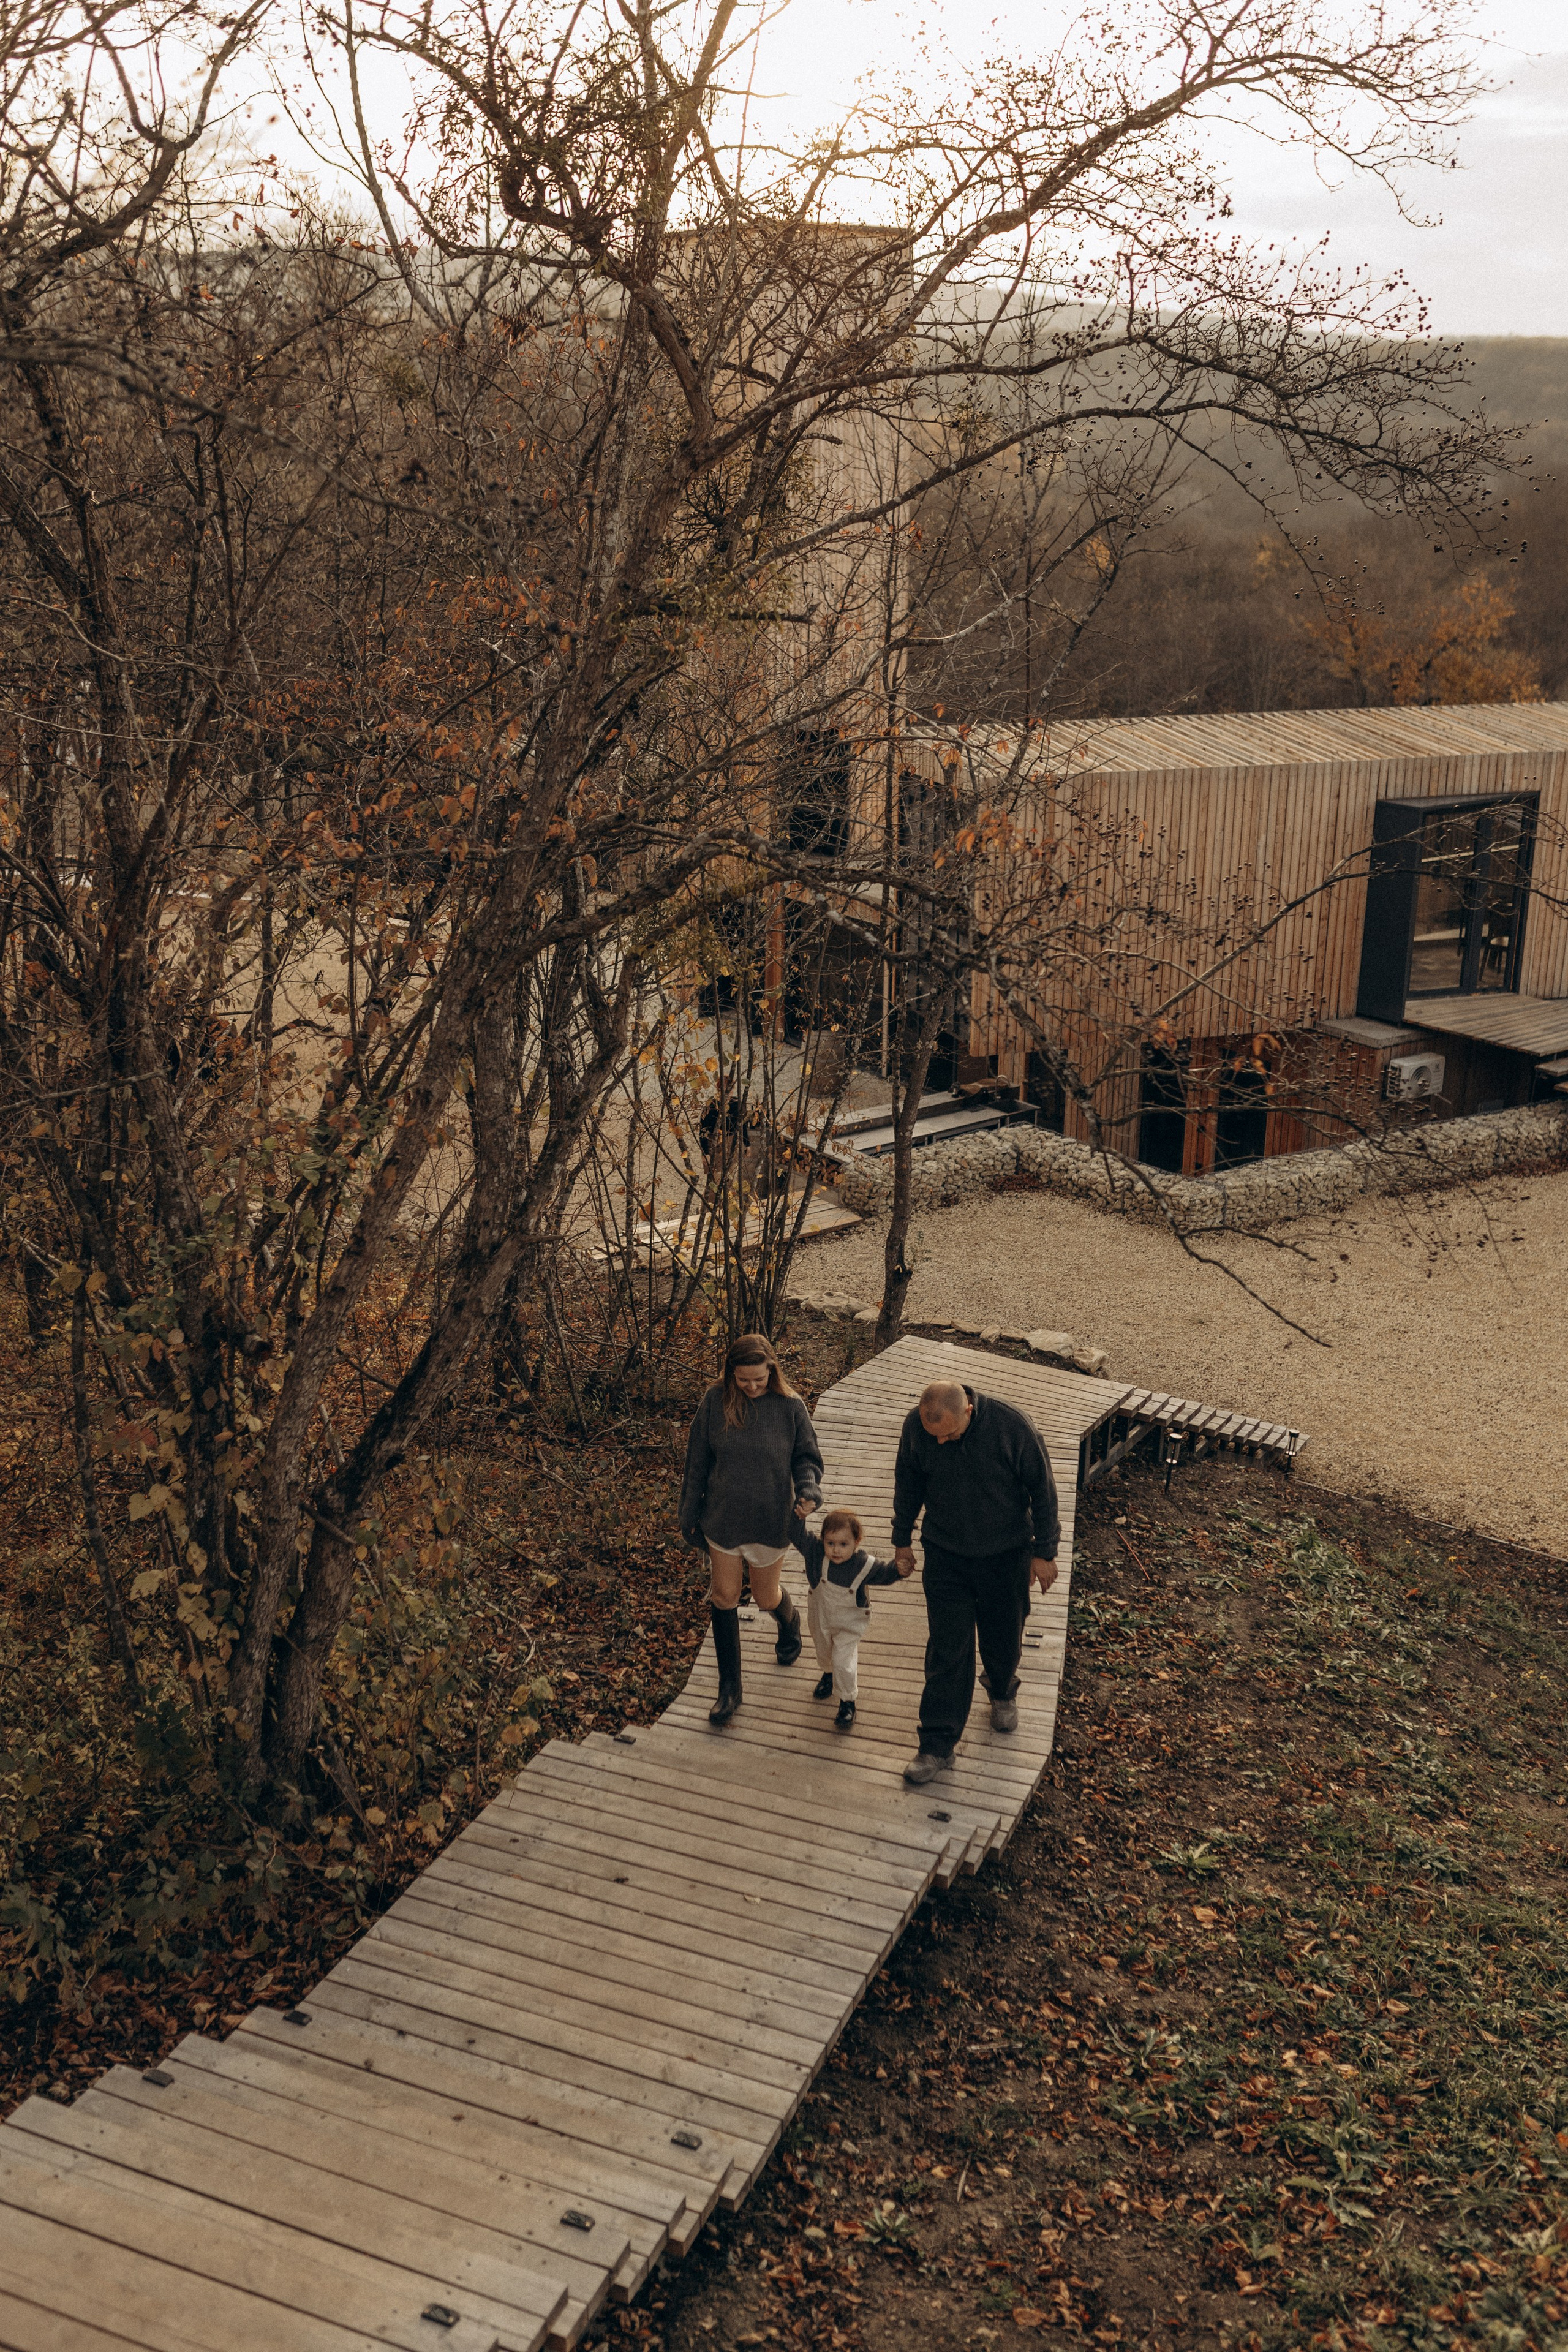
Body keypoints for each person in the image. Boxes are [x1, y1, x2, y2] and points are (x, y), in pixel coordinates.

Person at [891, 1379, 1060, 1786]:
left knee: (1003, 1638)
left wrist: (1045, 1552)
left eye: (949, 1434)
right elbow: (908, 1484)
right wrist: (902, 1541)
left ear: (968, 1409)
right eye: (936, 1437)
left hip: (1007, 1554)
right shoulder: (918, 1428)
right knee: (948, 1649)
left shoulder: (1012, 1427)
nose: (942, 1442)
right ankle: (936, 1745)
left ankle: (1002, 1690)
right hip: (946, 1553)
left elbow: (1043, 1489)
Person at [679, 1333, 822, 1726]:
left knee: (764, 1596)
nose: (753, 1387)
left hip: (771, 1519)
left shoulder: (790, 1407)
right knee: (724, 1596)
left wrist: (809, 1489)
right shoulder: (716, 1402)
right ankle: (730, 1690)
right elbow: (697, 1463)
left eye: (760, 1379)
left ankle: (789, 1621)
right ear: (731, 1375)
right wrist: (689, 1514)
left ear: (772, 1371)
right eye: (744, 1380)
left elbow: (807, 1459)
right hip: (723, 1518)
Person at [788, 1506, 902, 1731]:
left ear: (856, 1542)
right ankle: (828, 1675)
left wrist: (901, 1569)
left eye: (843, 1544)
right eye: (830, 1543)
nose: (836, 1551)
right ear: (822, 1541)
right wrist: (798, 1515)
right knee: (824, 1651)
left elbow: (887, 1573)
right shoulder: (816, 1553)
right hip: (820, 1618)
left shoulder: (863, 1564)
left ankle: (847, 1701)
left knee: (844, 1661)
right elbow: (796, 1533)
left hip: (848, 1625)